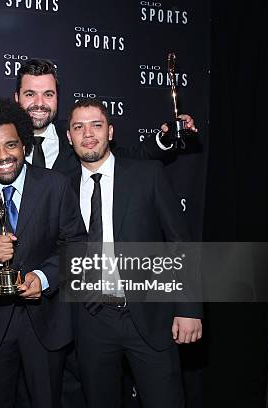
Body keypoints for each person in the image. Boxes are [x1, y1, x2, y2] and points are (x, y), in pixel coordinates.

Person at [66, 98, 202, 408]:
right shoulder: (62, 186)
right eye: (79, 127)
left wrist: (189, 308)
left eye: (96, 125)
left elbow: (180, 242)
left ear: (110, 132)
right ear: (69, 137)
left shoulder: (147, 174)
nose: (88, 134)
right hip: (91, 320)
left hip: (150, 315)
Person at [0, 98, 87, 408]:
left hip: (46, 325)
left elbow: (77, 245)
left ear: (24, 144)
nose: (3, 157)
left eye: (11, 145)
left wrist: (44, 277)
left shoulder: (56, 186)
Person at [0, 58, 197, 181]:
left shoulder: (78, 140)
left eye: (48, 94)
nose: (39, 103)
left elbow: (133, 155)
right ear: (17, 98)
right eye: (30, 94)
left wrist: (167, 138)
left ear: (58, 97)